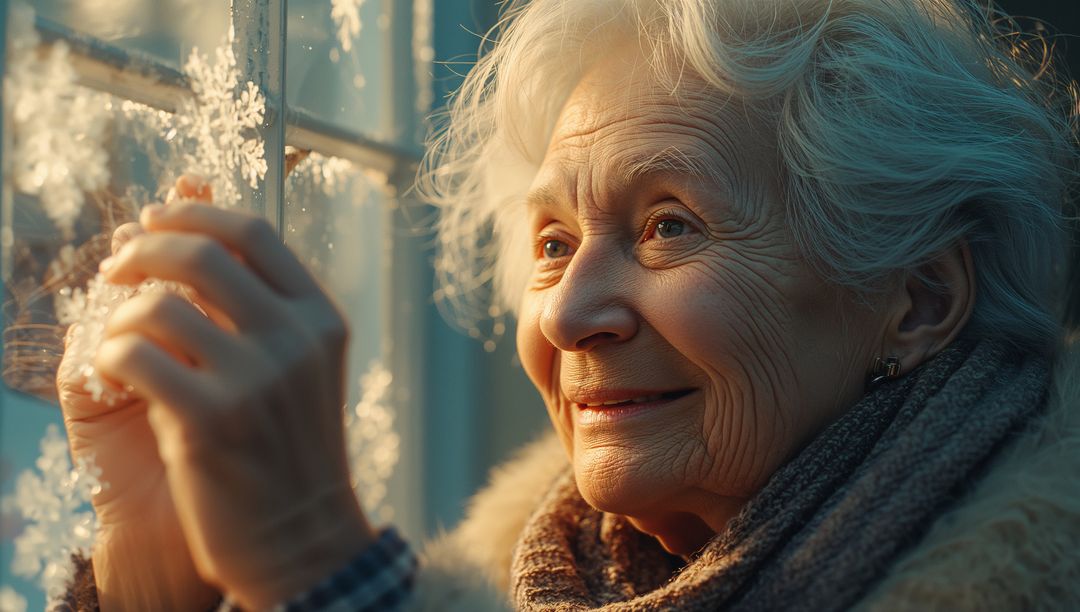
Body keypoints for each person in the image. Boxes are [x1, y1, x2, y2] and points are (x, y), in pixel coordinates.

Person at [58, 0, 1080, 609]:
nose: (564, 312)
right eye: (552, 243)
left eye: (669, 225)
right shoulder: (528, 575)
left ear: (917, 301)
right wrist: (156, 581)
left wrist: (320, 560)